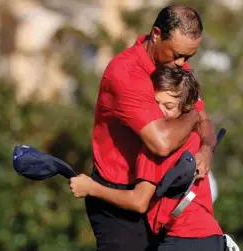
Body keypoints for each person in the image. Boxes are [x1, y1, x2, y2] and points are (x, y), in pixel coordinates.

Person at [70, 5, 217, 251]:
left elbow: (207, 121)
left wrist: (207, 150)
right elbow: (161, 143)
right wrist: (193, 115)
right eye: (177, 54)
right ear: (157, 34)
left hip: (156, 196)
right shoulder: (125, 73)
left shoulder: (174, 67)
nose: (182, 64)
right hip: (118, 197)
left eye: (188, 58)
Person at [71, 68, 237, 251]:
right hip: (211, 238)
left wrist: (91, 188)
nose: (159, 111)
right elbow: (204, 121)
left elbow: (138, 201)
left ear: (186, 107)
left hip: (183, 240)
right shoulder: (195, 136)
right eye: (155, 103)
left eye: (168, 106)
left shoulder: (154, 150)